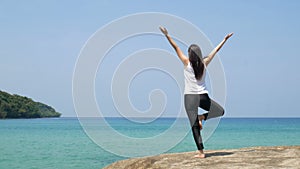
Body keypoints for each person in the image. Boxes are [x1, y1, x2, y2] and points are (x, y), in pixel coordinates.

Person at [159, 26, 233, 158]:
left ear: (190, 55)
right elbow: (215, 51)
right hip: (202, 96)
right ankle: (202, 117)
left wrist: (167, 35)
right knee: (220, 111)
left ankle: (201, 152)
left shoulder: (186, 62)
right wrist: (224, 40)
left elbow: (175, 47)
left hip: (189, 98)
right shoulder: (204, 63)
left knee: (194, 126)